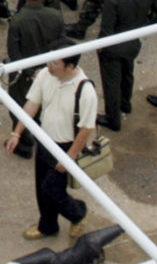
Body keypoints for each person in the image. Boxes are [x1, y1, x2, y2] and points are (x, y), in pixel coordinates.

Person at [6, 43, 97, 241]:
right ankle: (47, 226)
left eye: (55, 62)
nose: (49, 64)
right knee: (41, 187)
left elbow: (86, 128)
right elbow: (32, 105)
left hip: (65, 147)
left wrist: (70, 156)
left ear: (70, 66)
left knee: (52, 189)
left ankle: (78, 213)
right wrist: (17, 133)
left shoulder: (85, 91)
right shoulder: (45, 76)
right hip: (45, 140)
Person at [95, 0, 157, 130]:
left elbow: (107, 30)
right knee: (127, 73)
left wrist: (101, 48)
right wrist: (146, 25)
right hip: (133, 42)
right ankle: (125, 104)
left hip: (113, 47)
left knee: (111, 82)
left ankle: (113, 119)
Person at [6, 0, 68, 109]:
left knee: (20, 110)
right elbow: (62, 44)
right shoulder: (55, 16)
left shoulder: (18, 20)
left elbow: (14, 52)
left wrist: (30, 72)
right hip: (50, 71)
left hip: (25, 76)